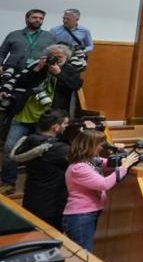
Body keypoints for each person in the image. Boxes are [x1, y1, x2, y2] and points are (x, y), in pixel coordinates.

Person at [2, 44, 84, 193]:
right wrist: (37, 69)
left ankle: (35, 185)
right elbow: (19, 83)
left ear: (66, 57)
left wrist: (59, 73)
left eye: (59, 57)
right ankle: (8, 182)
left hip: (48, 118)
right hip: (25, 114)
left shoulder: (70, 70)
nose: (55, 59)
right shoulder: (39, 66)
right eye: (52, 56)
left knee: (43, 152)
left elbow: (75, 86)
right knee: (10, 147)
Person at [61, 128, 139, 253]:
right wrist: (124, 166)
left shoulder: (92, 161)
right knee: (82, 254)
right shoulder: (78, 168)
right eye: (100, 144)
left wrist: (121, 151)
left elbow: (112, 163)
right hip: (80, 216)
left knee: (82, 252)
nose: (101, 148)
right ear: (89, 145)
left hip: (88, 214)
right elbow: (104, 184)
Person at [12, 108, 70, 230]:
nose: (67, 126)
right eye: (65, 123)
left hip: (31, 197)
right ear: (55, 127)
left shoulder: (29, 140)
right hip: (52, 204)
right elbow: (84, 159)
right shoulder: (59, 148)